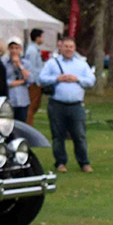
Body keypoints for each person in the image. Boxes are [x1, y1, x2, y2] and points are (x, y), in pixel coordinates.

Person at [38, 36, 95, 173]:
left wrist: (77, 79)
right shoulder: (52, 63)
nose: (68, 49)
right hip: (57, 105)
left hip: (76, 105)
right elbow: (41, 78)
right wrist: (57, 78)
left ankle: (84, 163)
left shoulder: (81, 64)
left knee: (80, 135)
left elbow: (91, 80)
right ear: (61, 47)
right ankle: (60, 162)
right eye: (66, 46)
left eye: (71, 46)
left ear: (74, 48)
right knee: (58, 136)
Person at [2, 37, 32, 121]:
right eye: (12, 48)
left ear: (20, 49)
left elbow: (30, 79)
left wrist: (19, 65)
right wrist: (21, 82)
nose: (14, 51)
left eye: (16, 48)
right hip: (9, 100)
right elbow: (4, 81)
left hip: (22, 100)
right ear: (8, 49)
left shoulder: (26, 63)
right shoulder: (4, 62)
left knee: (21, 124)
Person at [24, 28, 44, 124]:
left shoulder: (36, 49)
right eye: (42, 37)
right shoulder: (32, 50)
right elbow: (31, 67)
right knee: (31, 106)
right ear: (37, 38)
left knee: (35, 105)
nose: (43, 39)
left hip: (37, 82)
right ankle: (28, 125)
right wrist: (34, 81)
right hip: (34, 83)